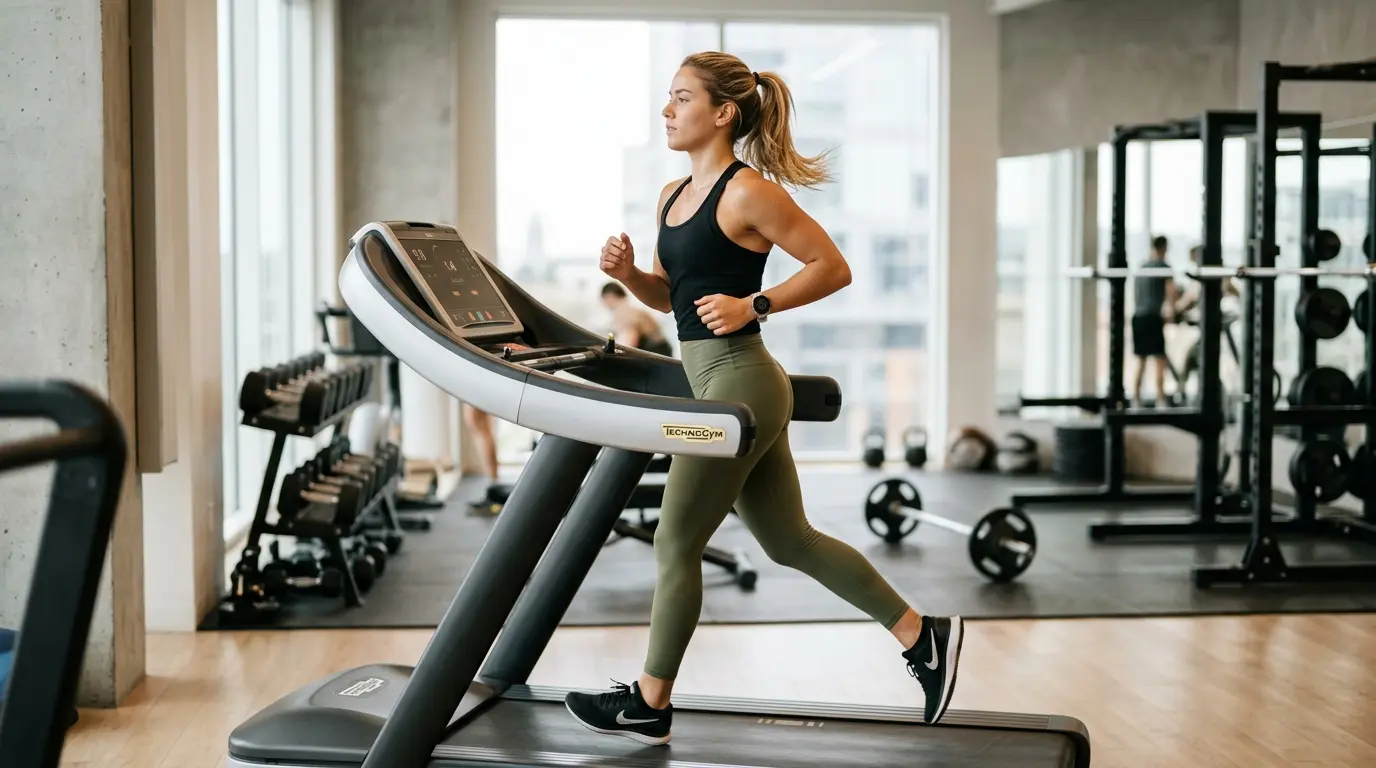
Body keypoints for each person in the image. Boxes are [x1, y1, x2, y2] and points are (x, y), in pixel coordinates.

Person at [563, 51, 962, 747]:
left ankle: (651, 703)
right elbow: (674, 299)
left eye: (681, 98)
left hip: (740, 386)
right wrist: (630, 277)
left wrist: (757, 303)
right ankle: (921, 636)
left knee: (675, 539)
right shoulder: (670, 195)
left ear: (722, 113)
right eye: (668, 98)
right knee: (788, 540)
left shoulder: (749, 192)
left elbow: (832, 266)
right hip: (716, 383)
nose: (667, 110)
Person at [1131, 235, 1179, 406]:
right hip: (1152, 317)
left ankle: (1136, 400)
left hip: (1138, 316)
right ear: (1163, 248)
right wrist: (1173, 311)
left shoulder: (1141, 267)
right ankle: (1161, 400)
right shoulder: (1163, 266)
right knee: (1160, 359)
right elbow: (1171, 290)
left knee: (1141, 360)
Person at [600, 281, 674, 356]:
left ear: (609, 297)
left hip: (655, 353)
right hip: (662, 352)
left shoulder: (624, 311)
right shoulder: (632, 309)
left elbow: (630, 340)